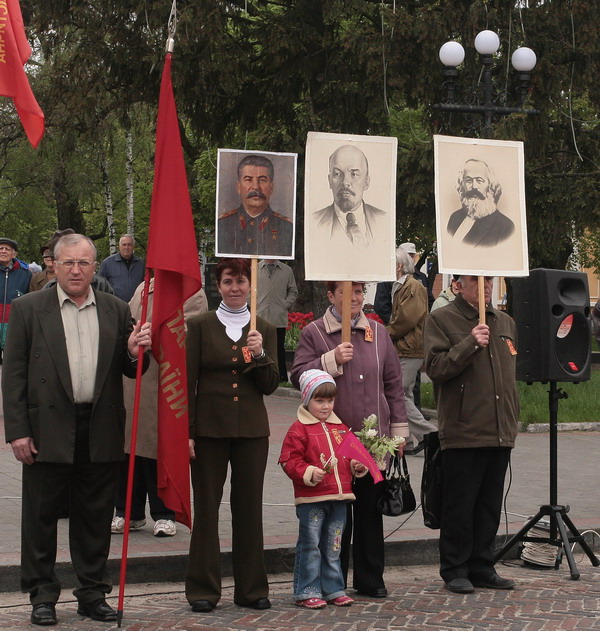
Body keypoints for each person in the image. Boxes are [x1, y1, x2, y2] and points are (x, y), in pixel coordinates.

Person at [2, 233, 151, 626]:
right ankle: (42, 596)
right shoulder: (29, 308)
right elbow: (13, 375)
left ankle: (92, 593)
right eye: (68, 262)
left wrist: (135, 351)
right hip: (45, 428)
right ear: (54, 264)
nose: (75, 270)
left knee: (95, 518)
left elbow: (131, 368)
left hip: (99, 426)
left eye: (83, 263)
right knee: (41, 517)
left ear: (94, 266)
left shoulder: (116, 309)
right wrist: (17, 431)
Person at [291, 281, 408, 598]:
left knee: (370, 510)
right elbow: (298, 375)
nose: (355, 298)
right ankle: (334, 581)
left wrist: (398, 432)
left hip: (372, 441)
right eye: (347, 292)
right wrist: (330, 360)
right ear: (331, 296)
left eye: (359, 292)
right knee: (335, 515)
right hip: (333, 442)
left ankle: (371, 578)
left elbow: (393, 384)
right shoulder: (315, 333)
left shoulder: (378, 333)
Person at [185, 258, 279, 613]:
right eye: (228, 281)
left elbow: (270, 385)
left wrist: (260, 353)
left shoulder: (263, 328)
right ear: (218, 285)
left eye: (241, 281)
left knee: (249, 509)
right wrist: (187, 433)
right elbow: (188, 381)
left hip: (252, 432)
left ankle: (251, 589)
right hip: (209, 431)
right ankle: (203, 589)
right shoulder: (199, 326)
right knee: (207, 509)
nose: (235, 288)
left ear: (250, 286)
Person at [424, 275, 519, 595]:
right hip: (464, 428)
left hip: (499, 428)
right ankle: (455, 569)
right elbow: (436, 368)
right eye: (476, 280)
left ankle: (482, 565)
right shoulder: (441, 319)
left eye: (489, 280)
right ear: (458, 285)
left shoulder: (505, 322)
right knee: (459, 505)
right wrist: (469, 343)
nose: (485, 286)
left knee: (489, 505)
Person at [111, 278, 208, 537]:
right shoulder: (144, 286)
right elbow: (129, 321)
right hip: (135, 377)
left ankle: (164, 513)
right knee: (129, 449)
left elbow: (190, 331)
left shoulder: (191, 290)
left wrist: (155, 335)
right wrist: (133, 336)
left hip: (166, 380)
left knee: (158, 449)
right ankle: (127, 511)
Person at [279, 369, 367, 609]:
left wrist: (357, 466)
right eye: (320, 400)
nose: (326, 406)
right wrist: (309, 472)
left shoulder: (341, 428)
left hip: (339, 498)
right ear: (307, 400)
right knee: (311, 546)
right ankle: (306, 590)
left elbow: (350, 457)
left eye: (330, 400)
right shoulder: (298, 429)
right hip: (312, 499)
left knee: (334, 546)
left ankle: (333, 588)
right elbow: (289, 460)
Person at [387, 248, 437, 455]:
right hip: (405, 347)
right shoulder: (401, 285)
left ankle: (430, 433)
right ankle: (405, 440)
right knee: (404, 393)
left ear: (399, 266)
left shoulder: (413, 286)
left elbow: (407, 319)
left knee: (397, 393)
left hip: (410, 348)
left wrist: (386, 333)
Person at [217, 154, 293, 256]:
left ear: (271, 187)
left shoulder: (286, 227)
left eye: (262, 180)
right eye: (248, 180)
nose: (256, 187)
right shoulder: (222, 225)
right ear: (238, 187)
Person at [314, 145, 385, 249]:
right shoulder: (315, 222)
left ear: (366, 181)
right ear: (329, 180)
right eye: (337, 174)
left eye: (354, 174)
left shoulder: (384, 220)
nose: (345, 182)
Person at [447, 159, 515, 247]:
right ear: (462, 184)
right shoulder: (455, 217)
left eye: (479, 180)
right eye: (469, 180)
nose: (474, 186)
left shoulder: (505, 227)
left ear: (490, 185)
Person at [257, 259, 298, 381]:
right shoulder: (255, 268)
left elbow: (293, 291)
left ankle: (282, 376)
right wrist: (255, 304)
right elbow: (248, 288)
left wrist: (284, 305)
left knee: (279, 348)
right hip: (260, 316)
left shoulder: (287, 270)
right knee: (260, 346)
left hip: (278, 317)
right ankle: (261, 376)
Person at [374, 242, 433, 323]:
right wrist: (393, 322)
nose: (410, 259)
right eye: (407, 256)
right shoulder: (388, 278)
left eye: (412, 256)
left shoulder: (421, 278)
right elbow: (381, 305)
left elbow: (429, 301)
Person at [0, 237, 31, 364]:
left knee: (12, 361)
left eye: (7, 249)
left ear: (14, 254)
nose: (3, 251)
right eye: (1, 248)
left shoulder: (25, 274)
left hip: (13, 322)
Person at [99, 233, 145, 302]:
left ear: (133, 246)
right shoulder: (107, 263)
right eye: (124, 245)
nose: (126, 247)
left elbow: (143, 285)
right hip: (114, 304)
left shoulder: (140, 264)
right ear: (119, 246)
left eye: (129, 245)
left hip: (135, 304)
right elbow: (100, 286)